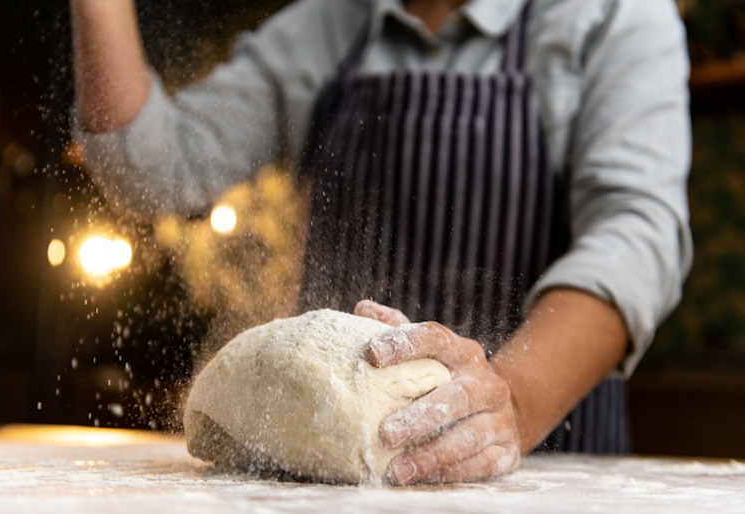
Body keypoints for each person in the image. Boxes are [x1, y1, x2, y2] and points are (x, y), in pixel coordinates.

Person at [70, 0, 693, 485]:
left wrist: (508, 406)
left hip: (551, 475)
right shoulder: (331, 23)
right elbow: (151, 172)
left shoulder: (612, 16)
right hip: (330, 484)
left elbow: (636, 235)